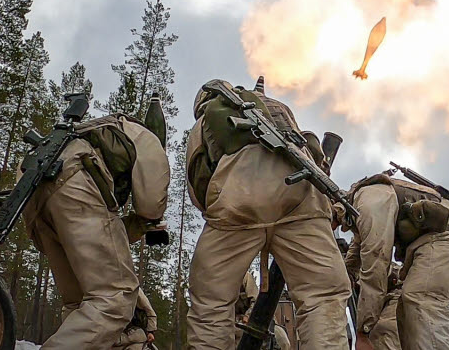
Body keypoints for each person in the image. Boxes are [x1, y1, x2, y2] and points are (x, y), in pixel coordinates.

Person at [185, 79, 351, 349]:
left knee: (211, 304)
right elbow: (310, 148)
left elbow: (198, 181)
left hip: (236, 202)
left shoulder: (205, 121)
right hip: (301, 197)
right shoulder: (279, 108)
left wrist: (220, 214)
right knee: (322, 297)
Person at [22, 113, 169, 349]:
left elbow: (99, 236)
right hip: (73, 178)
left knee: (81, 304)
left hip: (34, 193)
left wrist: (134, 226)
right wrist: (150, 221)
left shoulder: (91, 131)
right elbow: (151, 203)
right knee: (116, 298)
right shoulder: (143, 135)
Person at [342, 173, 449, 350]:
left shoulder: (368, 202)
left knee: (421, 299)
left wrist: (363, 332)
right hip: (427, 240)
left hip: (445, 233)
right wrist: (344, 278)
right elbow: (355, 256)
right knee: (406, 311)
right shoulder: (358, 212)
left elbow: (376, 262)